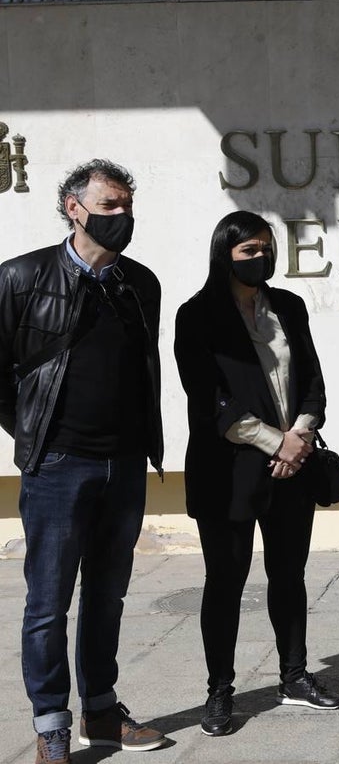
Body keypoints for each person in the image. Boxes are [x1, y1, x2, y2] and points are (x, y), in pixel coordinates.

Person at [0, 159, 166, 763]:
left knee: (107, 596)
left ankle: (101, 710)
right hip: (58, 465)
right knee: (47, 603)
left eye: (127, 205)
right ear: (74, 208)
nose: (122, 216)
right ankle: (51, 727)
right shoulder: (21, 278)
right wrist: (33, 432)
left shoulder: (139, 283)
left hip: (123, 465)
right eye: (110, 206)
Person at [174, 211, 339, 737]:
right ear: (224, 253)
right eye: (249, 250)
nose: (260, 259)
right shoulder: (197, 315)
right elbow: (211, 402)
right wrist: (280, 442)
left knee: (289, 576)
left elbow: (313, 379)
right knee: (224, 583)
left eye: (267, 249)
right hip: (227, 470)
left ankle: (294, 677)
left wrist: (301, 433)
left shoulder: (290, 307)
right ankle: (220, 692)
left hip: (291, 467)